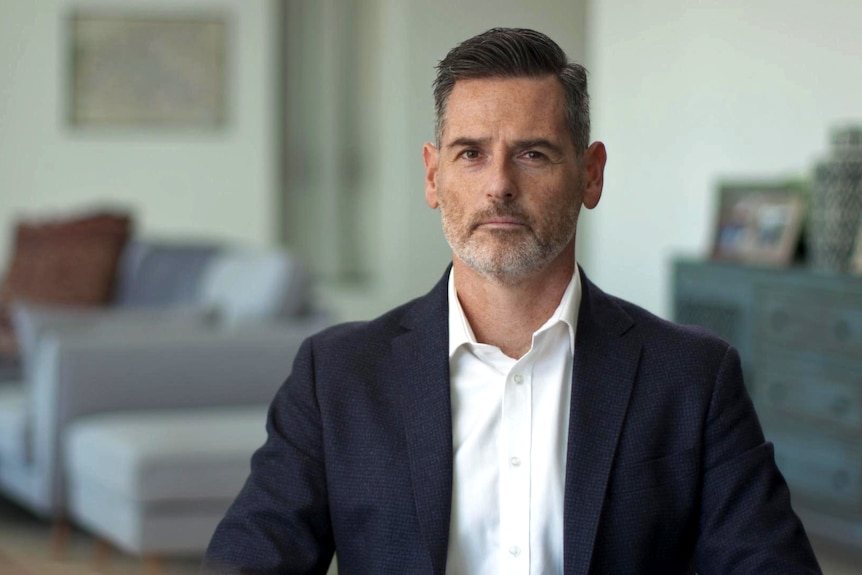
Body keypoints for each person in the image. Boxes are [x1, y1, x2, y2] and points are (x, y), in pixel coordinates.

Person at [203, 27, 821, 575]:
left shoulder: (692, 377)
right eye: (470, 153)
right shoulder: (336, 375)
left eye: (533, 154)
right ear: (432, 176)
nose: (499, 185)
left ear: (591, 174)